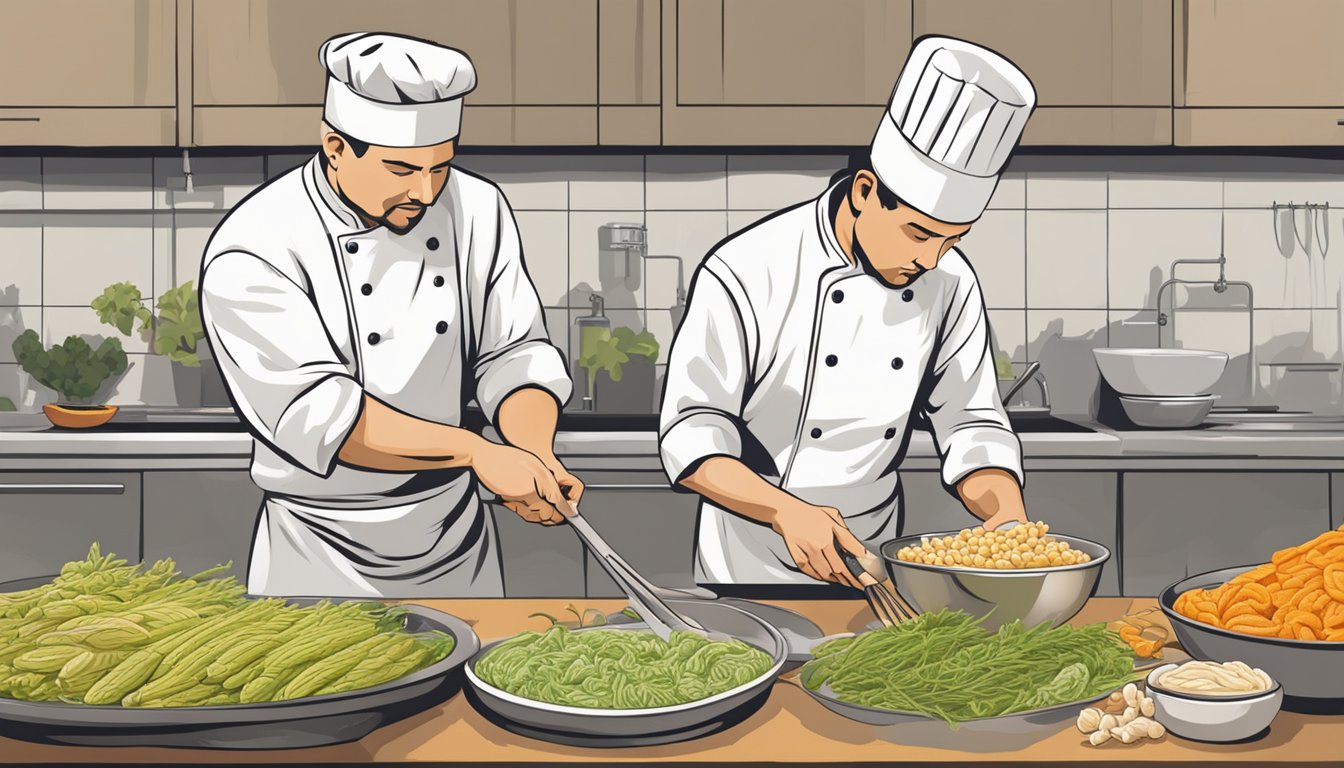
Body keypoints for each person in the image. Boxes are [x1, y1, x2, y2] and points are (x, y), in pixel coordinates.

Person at [200, 32, 581, 598]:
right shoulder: (257, 245)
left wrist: (533, 454)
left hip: (455, 539)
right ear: (334, 148)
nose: (426, 193)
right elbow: (322, 416)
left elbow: (514, 354)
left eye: (441, 167)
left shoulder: (477, 208)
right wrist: (480, 452)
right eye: (401, 170)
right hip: (318, 550)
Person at [659, 36, 1037, 589]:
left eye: (953, 240)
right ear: (864, 192)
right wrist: (786, 511)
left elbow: (970, 421)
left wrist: (1005, 513)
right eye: (920, 233)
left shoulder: (951, 281)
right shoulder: (746, 268)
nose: (930, 259)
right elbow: (694, 430)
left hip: (875, 557)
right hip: (751, 557)